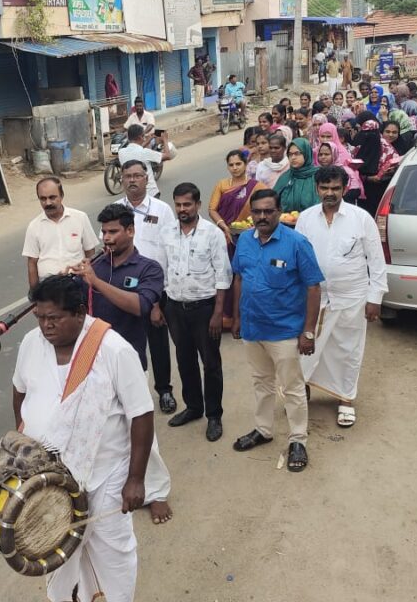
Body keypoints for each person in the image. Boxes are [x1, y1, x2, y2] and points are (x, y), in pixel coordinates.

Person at [12, 275, 153, 602]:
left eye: (54, 318)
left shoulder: (114, 349)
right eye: (40, 317)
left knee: (112, 554)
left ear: (79, 312)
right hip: (49, 482)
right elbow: (19, 391)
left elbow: (141, 414)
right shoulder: (32, 343)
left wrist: (135, 478)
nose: (45, 326)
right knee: (55, 554)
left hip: (105, 476)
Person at [71, 203, 173, 525]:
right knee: (99, 429)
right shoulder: (96, 265)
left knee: (142, 431)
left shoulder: (148, 268)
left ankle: (156, 491)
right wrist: (70, 279)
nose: (107, 237)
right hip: (93, 363)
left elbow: (139, 306)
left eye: (114, 231)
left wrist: (96, 283)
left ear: (130, 231)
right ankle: (101, 488)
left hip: (131, 365)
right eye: (104, 232)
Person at [230, 190, 323, 472]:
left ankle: (298, 440)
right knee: (261, 382)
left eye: (268, 211)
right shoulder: (245, 240)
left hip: (284, 330)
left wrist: (308, 332)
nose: (262, 217)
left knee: (292, 388)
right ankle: (263, 430)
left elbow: (313, 287)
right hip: (252, 328)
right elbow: (239, 278)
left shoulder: (297, 243)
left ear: (279, 212)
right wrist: (236, 317)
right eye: (257, 211)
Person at [295, 166, 387, 429]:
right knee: (307, 345)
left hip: (352, 296)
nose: (330, 193)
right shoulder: (306, 218)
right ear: (317, 188)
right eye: (324, 188)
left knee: (349, 350)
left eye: (335, 188)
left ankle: (346, 399)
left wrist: (375, 297)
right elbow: (298, 259)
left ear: (345, 189)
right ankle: (304, 387)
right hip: (315, 296)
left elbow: (376, 260)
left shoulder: (361, 218)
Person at [161, 183, 233, 442]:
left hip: (204, 309)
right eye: (178, 204)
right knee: (184, 360)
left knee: (211, 363)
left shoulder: (212, 234)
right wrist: (162, 306)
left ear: (198, 205)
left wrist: (218, 313)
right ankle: (193, 407)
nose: (182, 209)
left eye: (187, 204)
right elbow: (163, 270)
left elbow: (223, 275)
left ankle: (214, 415)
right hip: (175, 308)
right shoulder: (167, 233)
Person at [116, 161, 178, 415]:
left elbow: (171, 250)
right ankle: (130, 394)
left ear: (146, 179)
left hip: (155, 290)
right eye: (127, 176)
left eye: (137, 176)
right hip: (124, 291)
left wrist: (159, 300)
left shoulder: (162, 210)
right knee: (127, 346)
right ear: (122, 180)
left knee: (158, 344)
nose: (132, 180)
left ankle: (164, 390)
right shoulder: (115, 210)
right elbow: (108, 248)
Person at [208, 150, 265, 329]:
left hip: (249, 238)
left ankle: (247, 314)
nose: (234, 168)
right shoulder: (222, 185)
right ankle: (227, 315)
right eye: (231, 165)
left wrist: (253, 225)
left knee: (247, 275)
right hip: (225, 237)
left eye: (238, 164)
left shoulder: (257, 186)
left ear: (245, 164)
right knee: (226, 273)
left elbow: (265, 208)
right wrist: (223, 226)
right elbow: (212, 209)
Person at [22, 177, 101, 290]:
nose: (48, 203)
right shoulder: (34, 226)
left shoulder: (80, 218)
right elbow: (32, 263)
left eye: (52, 197)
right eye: (43, 199)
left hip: (77, 282)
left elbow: (90, 252)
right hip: (48, 286)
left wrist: (91, 281)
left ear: (62, 196)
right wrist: (34, 294)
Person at [117, 124, 174, 198]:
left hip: (133, 195)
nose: (144, 138)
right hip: (150, 193)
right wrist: (165, 140)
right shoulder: (145, 152)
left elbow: (136, 150)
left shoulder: (121, 152)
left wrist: (148, 140)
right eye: (143, 136)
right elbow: (168, 155)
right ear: (140, 137)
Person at [274, 138, 320, 214]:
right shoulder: (285, 177)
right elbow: (273, 200)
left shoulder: (318, 176)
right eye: (290, 154)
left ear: (306, 153)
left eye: (297, 153)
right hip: (286, 220)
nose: (293, 158)